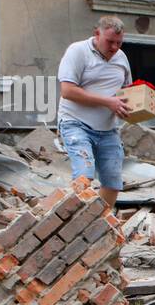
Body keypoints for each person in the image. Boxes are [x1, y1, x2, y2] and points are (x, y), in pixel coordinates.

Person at [56, 15, 136, 209]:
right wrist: (108, 102)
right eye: (110, 42)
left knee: (113, 181)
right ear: (96, 34)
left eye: (119, 42)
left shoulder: (121, 58)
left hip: (108, 129)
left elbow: (127, 92)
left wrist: (131, 107)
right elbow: (67, 91)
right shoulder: (78, 52)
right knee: (84, 175)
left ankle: (100, 222)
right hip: (75, 123)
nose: (115, 47)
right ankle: (72, 221)